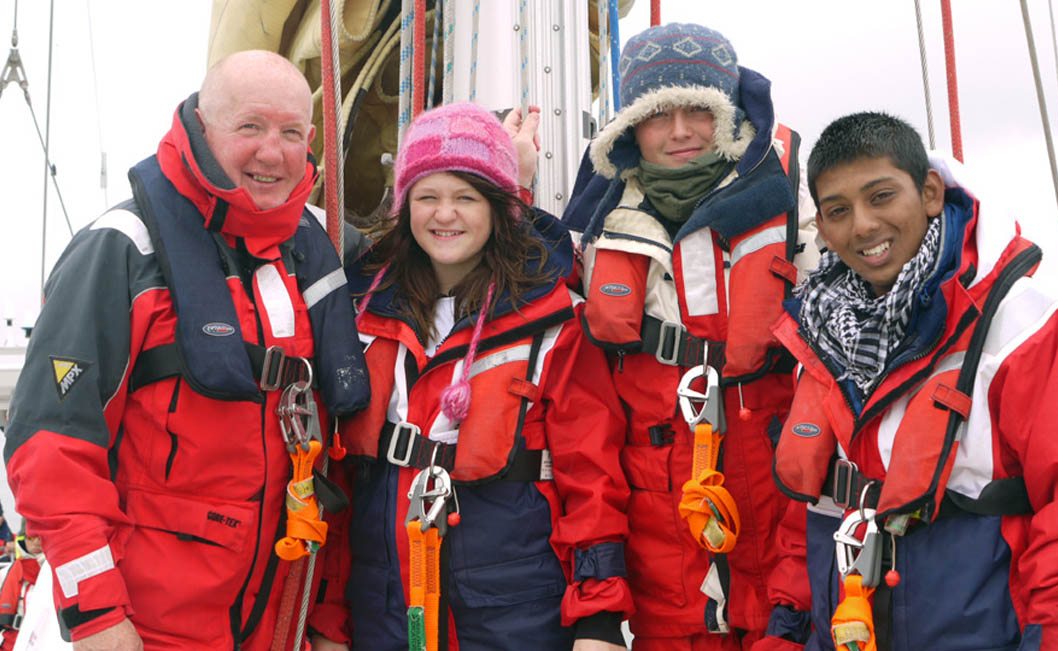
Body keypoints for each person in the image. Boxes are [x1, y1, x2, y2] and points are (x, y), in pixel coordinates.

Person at [3, 50, 370, 650]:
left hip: (280, 622)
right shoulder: (121, 252)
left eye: (291, 133)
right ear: (202, 126)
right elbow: (52, 446)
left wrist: (328, 620)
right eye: (250, 127)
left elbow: (346, 464)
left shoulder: (326, 254)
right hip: (143, 629)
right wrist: (95, 616)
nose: (271, 152)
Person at [755, 111, 1058, 651]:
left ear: (929, 192)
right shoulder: (817, 335)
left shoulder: (1035, 330)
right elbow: (806, 514)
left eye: (881, 196)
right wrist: (784, 635)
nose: (862, 225)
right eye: (838, 211)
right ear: (823, 229)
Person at [306, 102, 632, 651]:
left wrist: (598, 622)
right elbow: (342, 484)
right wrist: (330, 624)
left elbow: (592, 476)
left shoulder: (555, 322)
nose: (444, 215)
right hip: (384, 613)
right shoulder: (361, 314)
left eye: (466, 197)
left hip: (516, 619)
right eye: (427, 196)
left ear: (499, 207)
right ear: (405, 204)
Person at [562, 22, 818, 650]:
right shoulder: (592, 233)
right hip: (661, 570)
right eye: (658, 114)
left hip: (780, 530)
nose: (679, 131)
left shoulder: (801, 217)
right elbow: (581, 416)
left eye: (699, 110)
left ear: (728, 114)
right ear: (630, 127)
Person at [0, 531, 44, 651]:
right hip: (12, 642)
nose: (36, 543)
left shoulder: (57, 573)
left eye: (41, 538)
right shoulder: (5, 573)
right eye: (30, 538)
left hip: (46, 641)